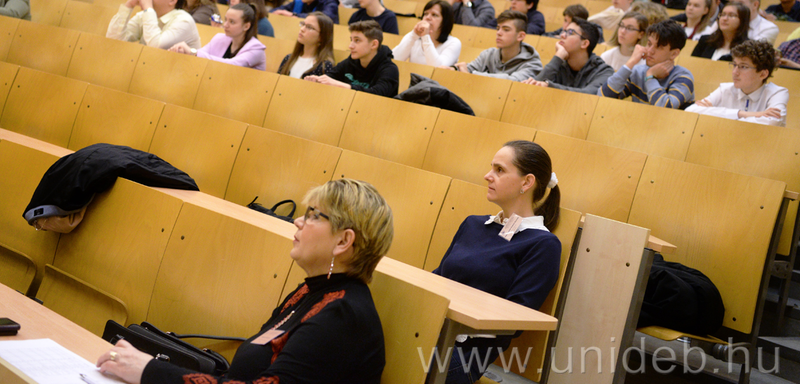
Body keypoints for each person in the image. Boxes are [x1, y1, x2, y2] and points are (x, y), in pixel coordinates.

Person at [97, 178, 392, 384]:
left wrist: (149, 371)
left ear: (343, 241)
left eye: (313, 215)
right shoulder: (310, 292)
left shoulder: (343, 317)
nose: (298, 221)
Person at [434, 140, 561, 384]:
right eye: (491, 168)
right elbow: (438, 277)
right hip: (429, 332)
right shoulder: (473, 223)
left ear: (527, 182)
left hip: (463, 355)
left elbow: (514, 320)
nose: (487, 176)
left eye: (499, 170)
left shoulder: (543, 245)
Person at [686, 40, 787, 126]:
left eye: (743, 67)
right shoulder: (724, 89)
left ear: (763, 74)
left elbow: (772, 122)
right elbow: (691, 111)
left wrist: (715, 113)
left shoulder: (777, 93)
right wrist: (743, 114)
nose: (735, 72)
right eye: (734, 65)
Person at [599, 19, 694, 108]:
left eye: (659, 47)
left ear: (674, 54)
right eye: (649, 44)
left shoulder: (683, 77)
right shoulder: (638, 72)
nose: (650, 51)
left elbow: (665, 108)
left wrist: (650, 77)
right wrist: (630, 63)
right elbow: (603, 96)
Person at [307, 20, 399, 97]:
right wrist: (317, 80)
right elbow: (330, 77)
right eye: (351, 40)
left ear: (374, 44)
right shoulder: (350, 62)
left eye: (357, 40)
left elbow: (377, 95)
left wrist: (343, 86)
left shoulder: (390, 69)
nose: (350, 46)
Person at [524, 18, 613, 94]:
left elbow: (588, 95)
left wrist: (549, 86)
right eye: (564, 31)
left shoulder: (604, 72)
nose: (562, 35)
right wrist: (558, 57)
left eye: (570, 32)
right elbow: (533, 89)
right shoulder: (559, 63)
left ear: (584, 43)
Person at [107, 0, 200, 50]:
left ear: (172, 0)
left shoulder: (184, 20)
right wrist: (128, 6)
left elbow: (155, 46)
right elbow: (113, 39)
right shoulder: (145, 14)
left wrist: (148, 8)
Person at [448, 10, 542, 81]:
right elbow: (468, 68)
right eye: (498, 28)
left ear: (520, 36)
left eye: (506, 30)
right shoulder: (488, 54)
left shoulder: (533, 64)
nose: (499, 33)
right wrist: (454, 69)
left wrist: (472, 75)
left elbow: (513, 81)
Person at [170, 3, 266, 70]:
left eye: (232, 22)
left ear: (246, 26)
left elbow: (232, 66)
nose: (226, 25)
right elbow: (200, 54)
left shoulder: (256, 49)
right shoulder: (220, 38)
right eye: (226, 20)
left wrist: (192, 52)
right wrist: (185, 52)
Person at [393, 0, 461, 67]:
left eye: (434, 15)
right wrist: (413, 36)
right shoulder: (413, 37)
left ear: (445, 21)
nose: (428, 17)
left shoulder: (453, 43)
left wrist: (425, 37)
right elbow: (393, 60)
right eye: (425, 14)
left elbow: (438, 68)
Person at [278, 12, 336, 78]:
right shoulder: (288, 58)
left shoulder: (325, 66)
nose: (302, 29)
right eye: (303, 24)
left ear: (321, 37)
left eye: (309, 27)